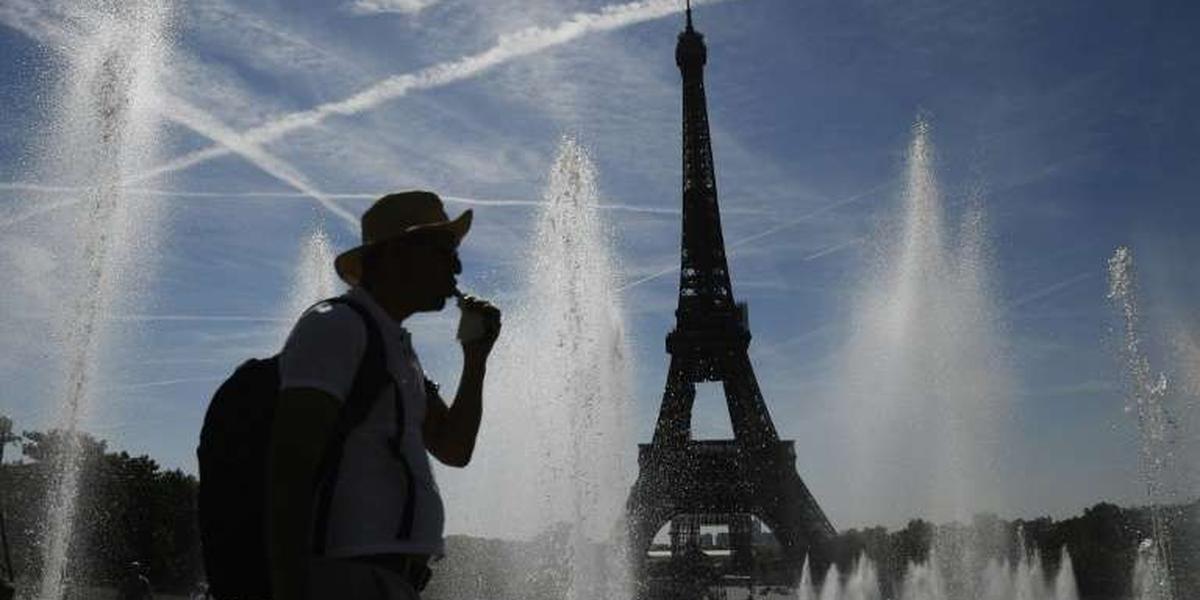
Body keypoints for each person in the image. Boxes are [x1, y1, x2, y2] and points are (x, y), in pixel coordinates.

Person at [267, 191, 501, 600]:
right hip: (348, 578)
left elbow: (454, 448)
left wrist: (475, 356)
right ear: (399, 254)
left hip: (387, 580)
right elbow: (289, 469)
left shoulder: (397, 348)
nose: (458, 266)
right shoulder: (337, 326)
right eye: (446, 250)